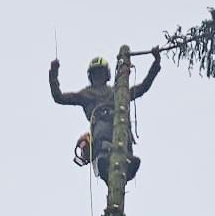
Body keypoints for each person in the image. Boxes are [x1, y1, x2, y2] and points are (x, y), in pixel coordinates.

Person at [49, 49, 162, 182]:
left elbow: (142, 88)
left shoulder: (117, 92)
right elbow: (59, 97)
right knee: (104, 139)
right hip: (102, 129)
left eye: (100, 73)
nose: (98, 76)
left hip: (119, 126)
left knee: (122, 134)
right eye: (96, 74)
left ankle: (125, 160)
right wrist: (53, 72)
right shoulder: (89, 94)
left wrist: (156, 64)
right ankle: (106, 163)